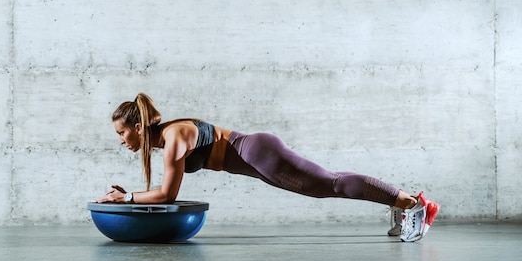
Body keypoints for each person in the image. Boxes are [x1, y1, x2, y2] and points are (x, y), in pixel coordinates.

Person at [96, 93, 440, 242]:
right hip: (257, 154)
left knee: (329, 185)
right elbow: (162, 193)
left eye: (122, 132)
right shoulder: (169, 136)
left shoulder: (172, 140)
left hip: (258, 152)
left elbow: (168, 195)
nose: (121, 139)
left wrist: (127, 201)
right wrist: (132, 197)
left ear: (138, 128)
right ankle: (403, 205)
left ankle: (413, 205)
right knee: (328, 185)